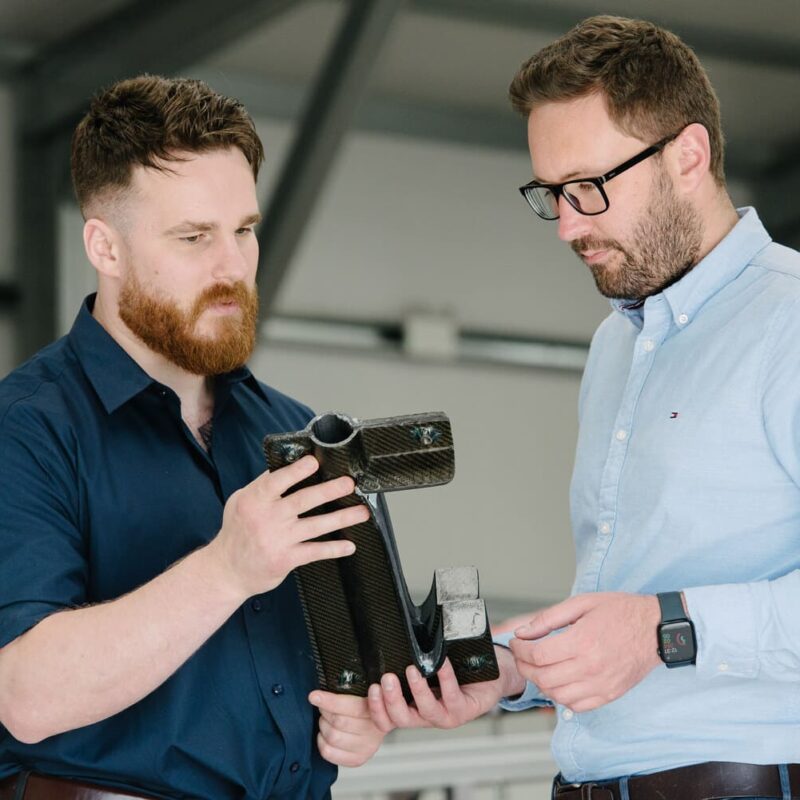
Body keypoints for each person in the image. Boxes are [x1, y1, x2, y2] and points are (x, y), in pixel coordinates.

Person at [366, 15, 800, 800]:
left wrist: (665, 628)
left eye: (589, 188)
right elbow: (626, 609)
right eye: (550, 194)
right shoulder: (615, 348)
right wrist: (509, 675)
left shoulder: (790, 322)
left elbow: (652, 626)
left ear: (689, 157)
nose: (568, 225)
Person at [0, 75, 385, 800]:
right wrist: (226, 570)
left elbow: (334, 671)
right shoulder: (24, 430)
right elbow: (24, 696)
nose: (233, 267)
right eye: (193, 237)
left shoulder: (294, 431)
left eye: (243, 229)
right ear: (104, 248)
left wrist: (355, 713)